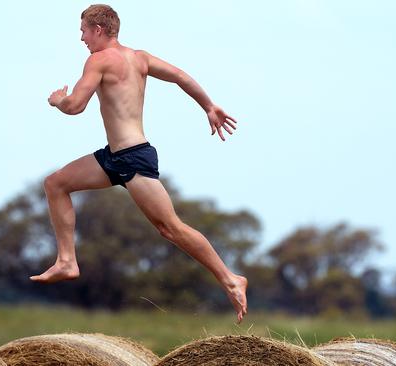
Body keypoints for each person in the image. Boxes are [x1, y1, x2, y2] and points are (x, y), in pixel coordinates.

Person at [30, 4, 248, 323]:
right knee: (56, 183)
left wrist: (57, 101)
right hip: (115, 156)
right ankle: (66, 261)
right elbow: (180, 76)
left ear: (99, 30)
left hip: (133, 157)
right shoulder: (139, 57)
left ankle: (230, 278)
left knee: (170, 228)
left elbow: (75, 106)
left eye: (83, 31)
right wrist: (208, 105)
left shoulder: (98, 60)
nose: (81, 38)